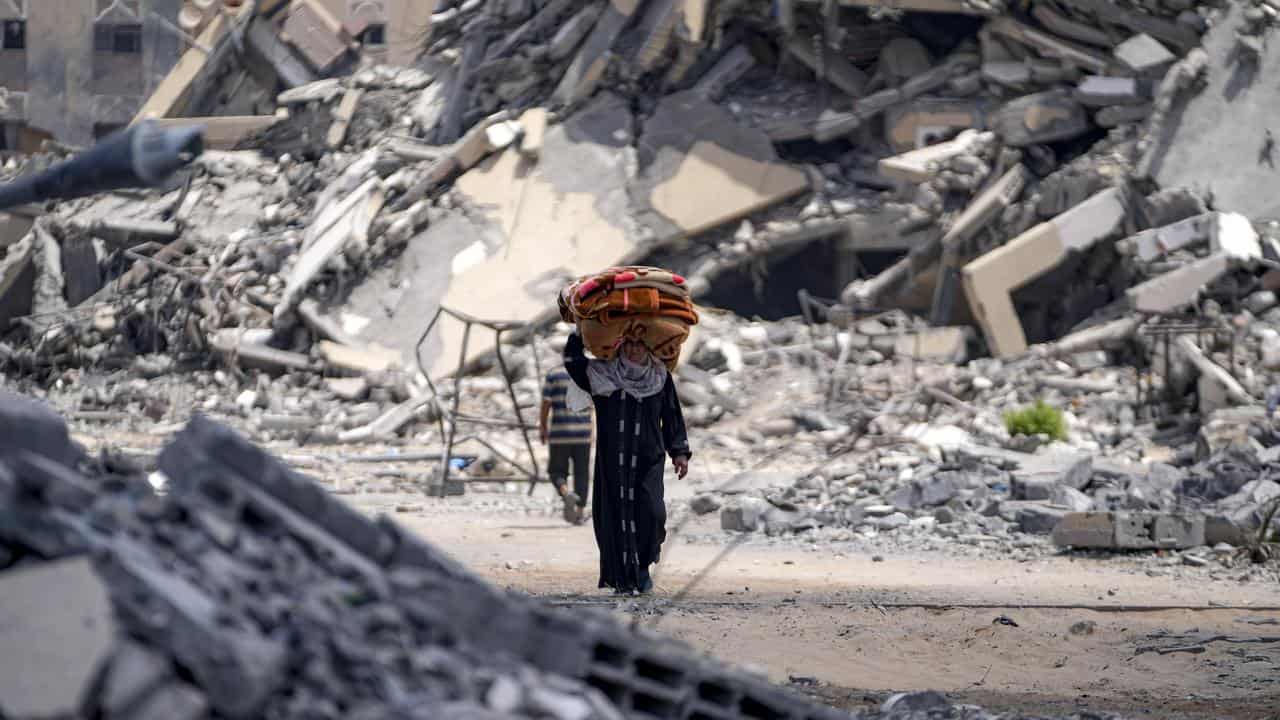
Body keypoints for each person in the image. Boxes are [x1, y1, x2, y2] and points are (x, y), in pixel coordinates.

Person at [562, 330, 691, 595]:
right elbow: (573, 363)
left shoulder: (659, 378)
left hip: (648, 461)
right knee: (614, 518)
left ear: (649, 347)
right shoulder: (604, 376)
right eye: (629, 344)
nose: (634, 350)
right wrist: (579, 331)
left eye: (640, 344)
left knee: (652, 514)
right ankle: (622, 578)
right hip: (613, 463)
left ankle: (642, 567)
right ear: (620, 345)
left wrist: (678, 452)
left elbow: (672, 415)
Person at [540, 363, 594, 524]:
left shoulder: (554, 375)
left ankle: (565, 492)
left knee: (556, 471)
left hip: (560, 434)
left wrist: (543, 426)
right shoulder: (588, 373)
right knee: (582, 473)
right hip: (583, 434)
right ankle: (579, 512)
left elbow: (546, 403)